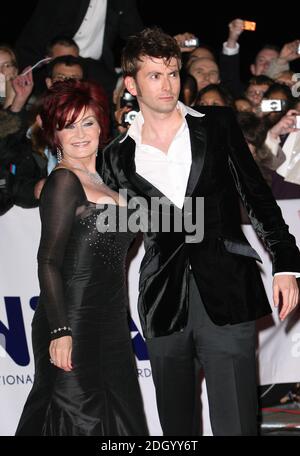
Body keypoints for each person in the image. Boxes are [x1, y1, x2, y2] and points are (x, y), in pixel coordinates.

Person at [101, 28, 300, 436]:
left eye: (172, 72)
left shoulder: (218, 124)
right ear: (131, 83)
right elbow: (114, 241)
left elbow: (258, 197)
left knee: (237, 425)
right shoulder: (116, 155)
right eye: (154, 75)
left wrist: (286, 263)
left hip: (227, 291)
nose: (167, 84)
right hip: (161, 300)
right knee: (177, 430)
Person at [15, 79, 148, 436]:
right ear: (54, 134)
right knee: (76, 419)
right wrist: (60, 331)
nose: (79, 134)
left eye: (87, 122)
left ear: (101, 124)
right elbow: (48, 261)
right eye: (67, 125)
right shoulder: (63, 182)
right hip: (70, 320)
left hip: (113, 324)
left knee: (122, 421)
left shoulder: (107, 182)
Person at [15, 0, 143, 99]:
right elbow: (36, 33)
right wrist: (25, 70)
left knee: (121, 89)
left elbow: (136, 35)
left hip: (95, 65)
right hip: (61, 61)